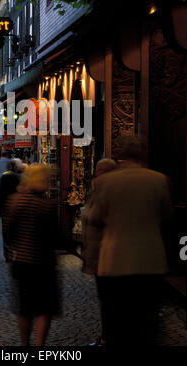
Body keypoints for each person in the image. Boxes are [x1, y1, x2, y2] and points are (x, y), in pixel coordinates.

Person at [89, 135, 173, 346]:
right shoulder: (159, 180)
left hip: (114, 260)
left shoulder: (104, 182)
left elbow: (95, 219)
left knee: (116, 318)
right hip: (150, 260)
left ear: (120, 156)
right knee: (146, 319)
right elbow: (167, 218)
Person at [2, 164, 59, 346]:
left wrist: (13, 250)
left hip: (22, 263)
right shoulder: (48, 205)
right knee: (44, 308)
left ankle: (25, 344)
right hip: (44, 263)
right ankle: (39, 344)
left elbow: (7, 232)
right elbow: (54, 236)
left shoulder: (14, 201)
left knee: (25, 308)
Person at [81, 158, 117, 346]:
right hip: (103, 253)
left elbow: (95, 217)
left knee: (109, 299)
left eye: (98, 170)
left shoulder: (105, 190)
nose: (96, 173)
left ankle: (108, 337)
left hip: (105, 253)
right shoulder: (105, 189)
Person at [0, 158, 25, 261]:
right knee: (14, 232)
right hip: (14, 208)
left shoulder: (3, 177)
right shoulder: (18, 178)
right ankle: (14, 253)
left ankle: (8, 254)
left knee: (7, 233)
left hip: (5, 208)